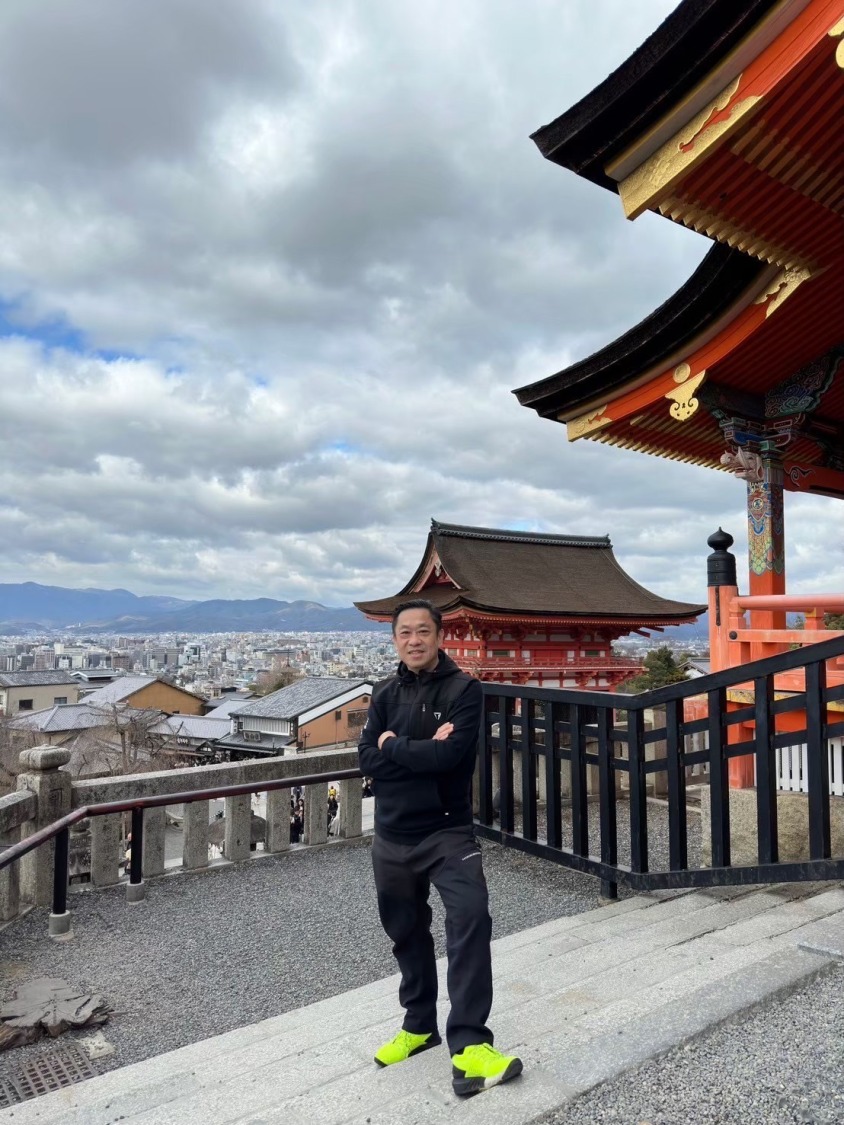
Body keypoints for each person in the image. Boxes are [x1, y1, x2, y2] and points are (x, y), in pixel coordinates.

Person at [358, 598, 522, 1097]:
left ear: (439, 636)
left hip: (447, 832)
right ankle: (418, 1025)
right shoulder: (383, 692)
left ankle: (470, 1043)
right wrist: (414, 750)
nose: (414, 640)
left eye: (423, 631)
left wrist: (391, 746)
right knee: (405, 931)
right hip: (391, 834)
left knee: (470, 918)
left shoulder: (463, 689)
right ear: (394, 639)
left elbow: (450, 758)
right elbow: (367, 760)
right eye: (404, 632)